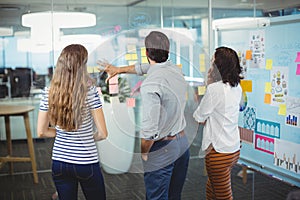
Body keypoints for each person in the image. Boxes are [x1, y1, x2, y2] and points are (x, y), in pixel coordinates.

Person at [100, 31, 190, 200]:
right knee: (174, 195)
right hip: (182, 143)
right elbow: (145, 67)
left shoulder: (150, 84)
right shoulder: (175, 70)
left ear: (147, 52)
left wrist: (144, 152)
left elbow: (149, 131)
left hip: (162, 147)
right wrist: (118, 70)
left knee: (157, 197)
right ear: (168, 51)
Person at [37, 44, 108, 200]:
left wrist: (64, 134)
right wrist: (84, 137)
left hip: (59, 162)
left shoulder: (48, 92)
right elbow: (103, 134)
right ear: (82, 66)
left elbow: (41, 131)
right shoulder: (90, 92)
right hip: (86, 162)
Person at [193, 46, 243, 200]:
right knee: (212, 188)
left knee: (223, 195)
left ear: (218, 66)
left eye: (212, 62)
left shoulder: (215, 89)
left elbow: (199, 116)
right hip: (233, 149)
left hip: (218, 153)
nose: (210, 65)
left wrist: (208, 85)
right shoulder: (236, 87)